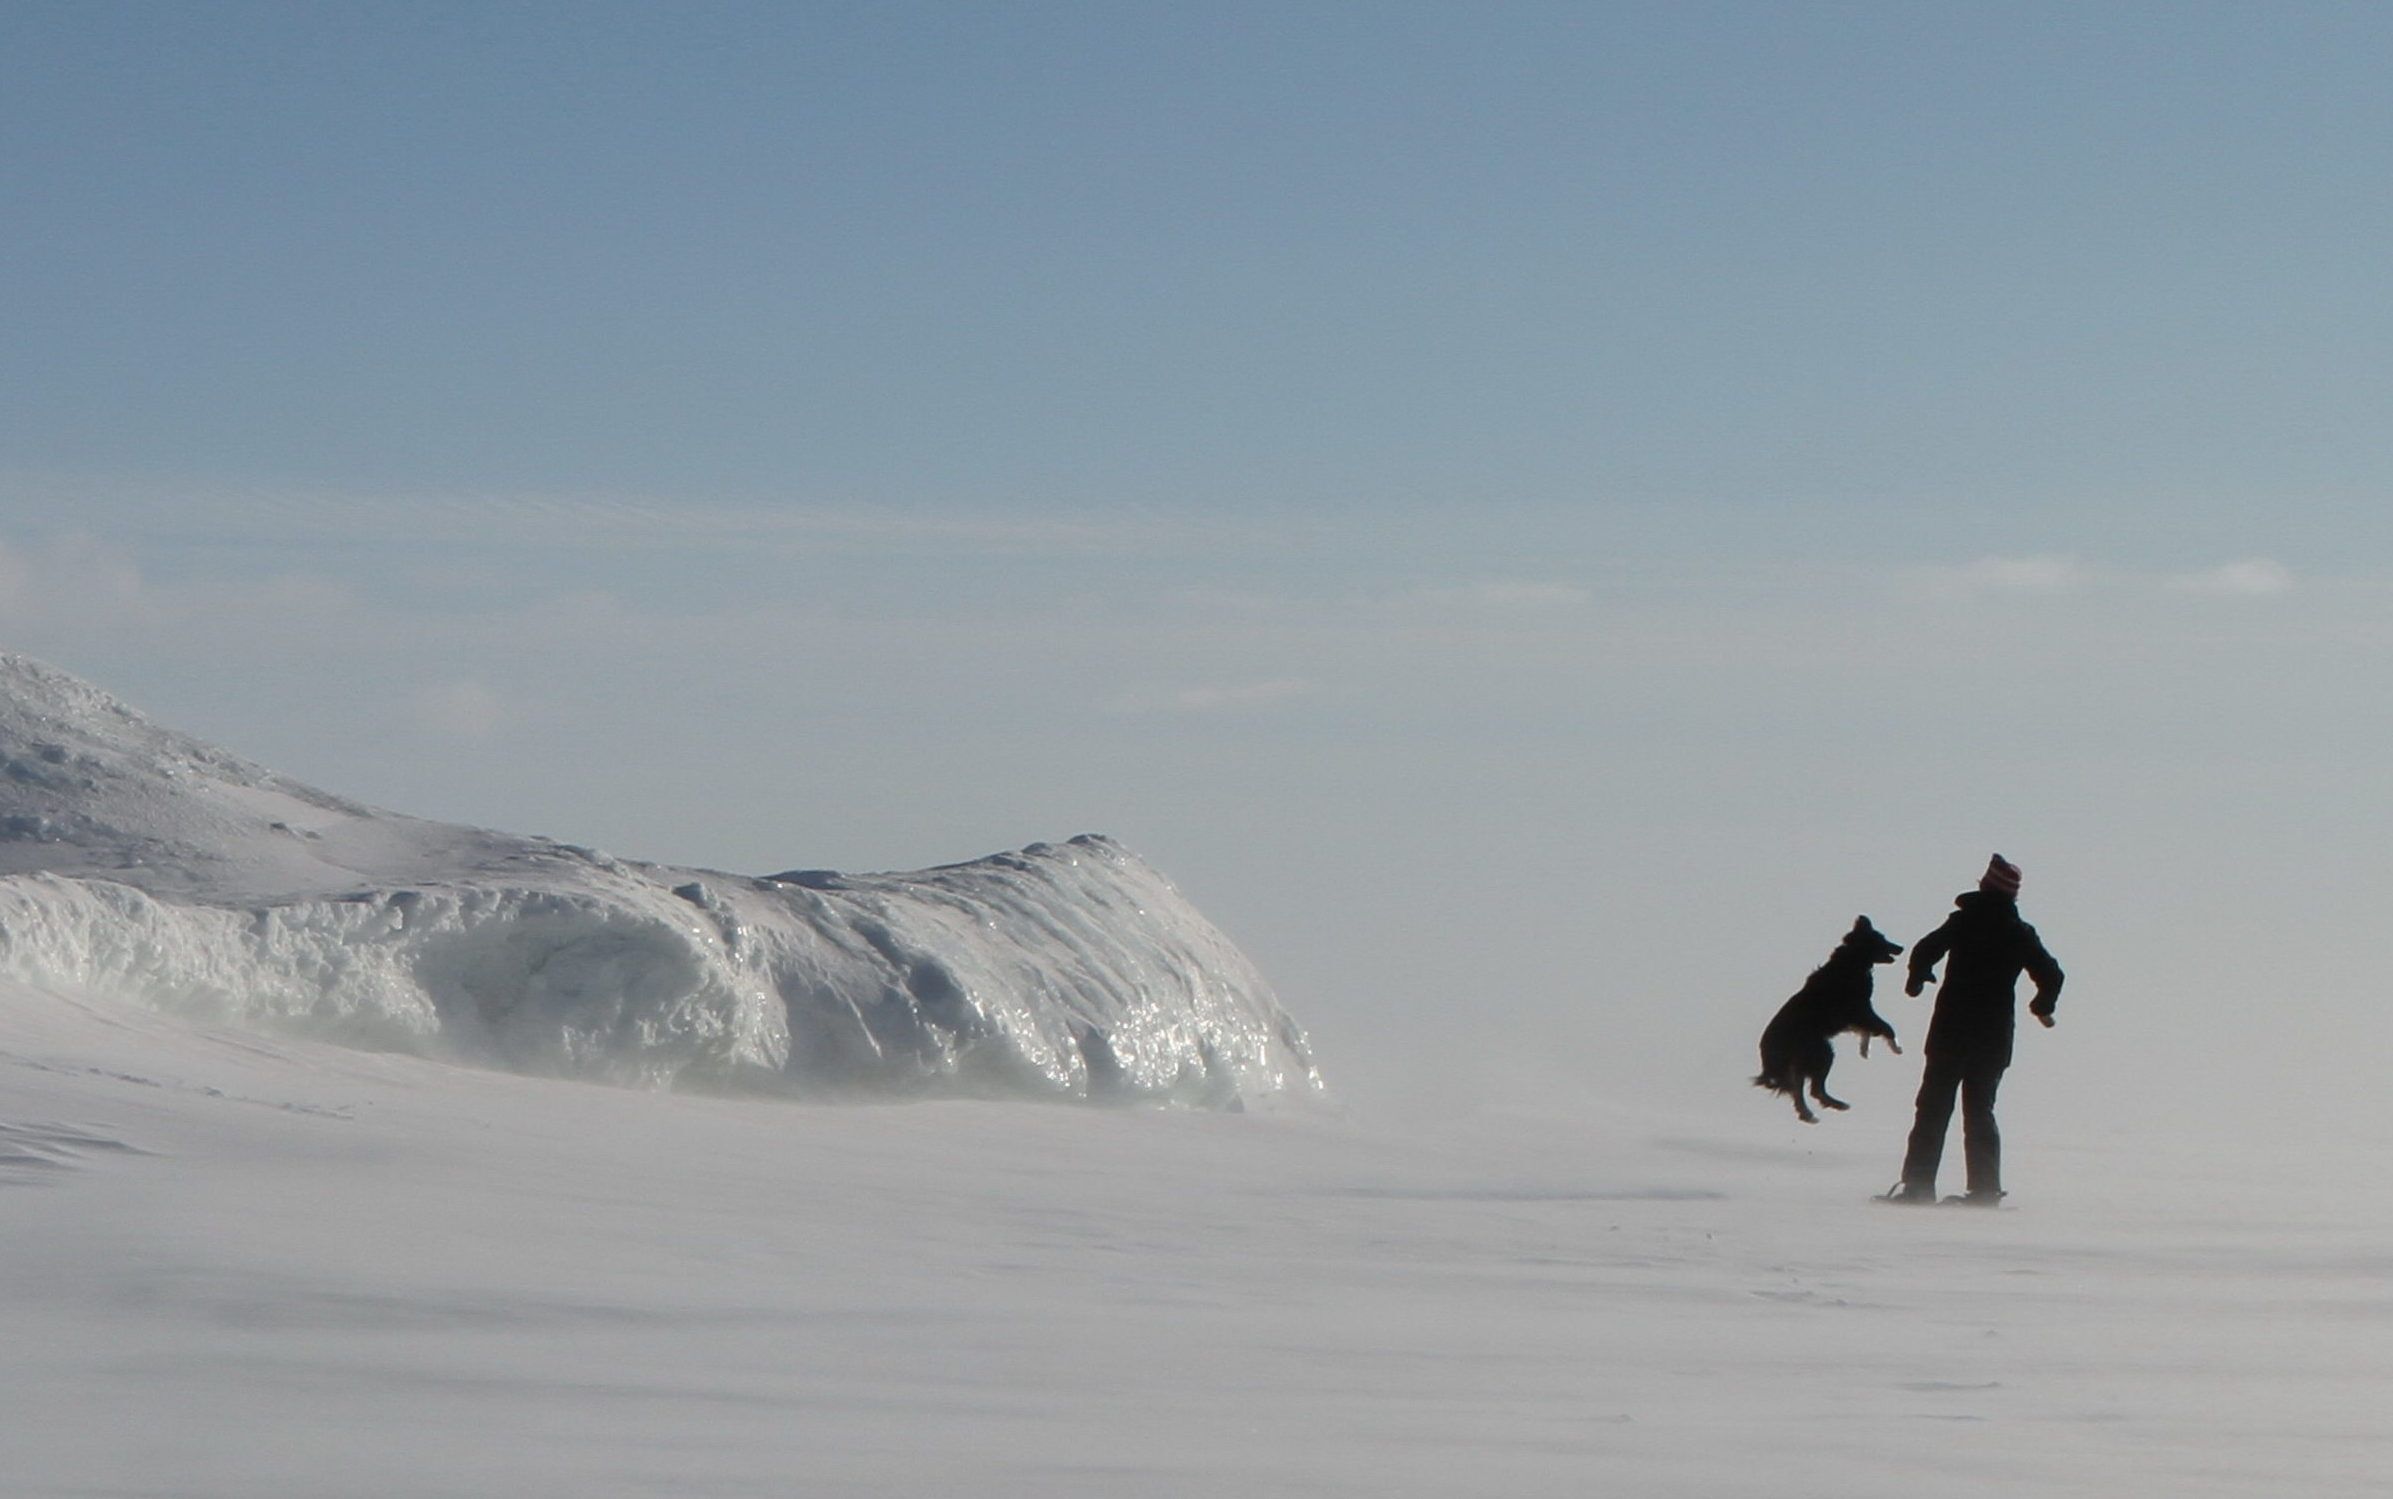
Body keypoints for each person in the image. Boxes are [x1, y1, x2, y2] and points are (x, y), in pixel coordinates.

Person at [1885, 854, 2064, 1205]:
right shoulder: (2019, 933)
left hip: (1951, 1031)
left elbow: (1925, 950)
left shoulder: (1964, 921)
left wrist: (1917, 977)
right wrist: (2042, 1005)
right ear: (2012, 896)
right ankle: (1984, 1191)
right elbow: (2053, 975)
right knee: (1980, 1110)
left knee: (1933, 1108)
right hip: (1993, 1038)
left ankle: (1918, 1188)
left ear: (1984, 885)